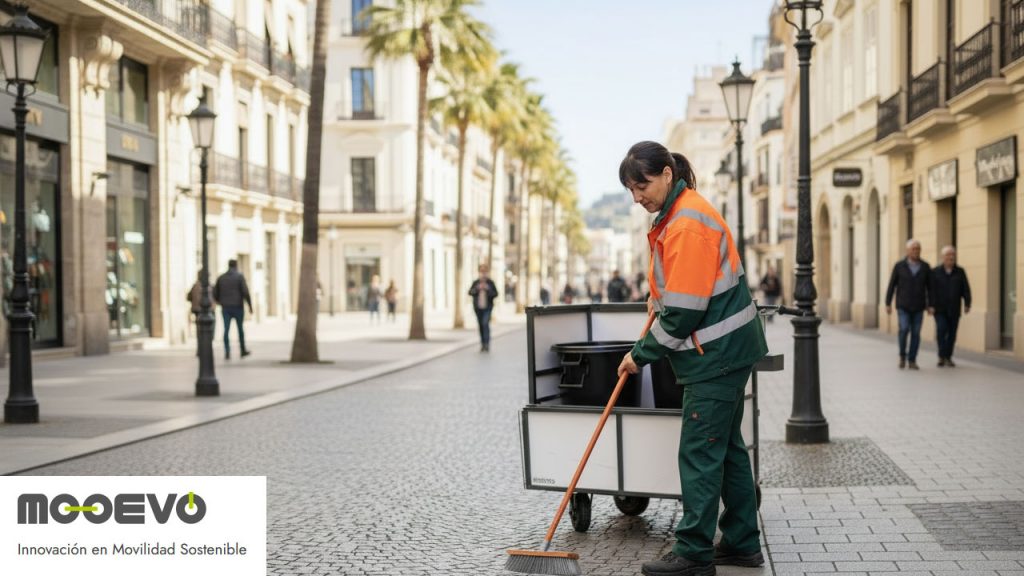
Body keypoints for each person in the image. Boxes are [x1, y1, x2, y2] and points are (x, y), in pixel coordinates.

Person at [615, 142, 768, 576]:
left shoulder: (684, 222)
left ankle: (694, 552)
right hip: (727, 351)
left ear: (666, 174)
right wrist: (656, 296)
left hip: (715, 355)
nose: (636, 197)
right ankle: (741, 542)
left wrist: (638, 356)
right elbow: (683, 288)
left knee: (700, 451)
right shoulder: (681, 212)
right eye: (629, 189)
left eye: (641, 185)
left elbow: (684, 312)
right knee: (729, 450)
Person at [885, 239, 931, 370]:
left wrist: (931, 304)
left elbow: (931, 287)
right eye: (913, 249)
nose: (916, 251)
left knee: (916, 333)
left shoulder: (925, 266)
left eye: (918, 249)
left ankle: (912, 360)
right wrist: (888, 303)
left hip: (919, 306)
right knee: (904, 329)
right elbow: (892, 285)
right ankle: (902, 356)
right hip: (903, 305)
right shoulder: (899, 266)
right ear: (908, 251)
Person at [929, 246, 971, 367]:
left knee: (952, 334)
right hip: (939, 308)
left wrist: (967, 303)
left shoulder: (960, 271)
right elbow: (931, 290)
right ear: (943, 257)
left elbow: (966, 289)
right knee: (941, 330)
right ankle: (941, 356)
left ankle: (948, 357)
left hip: (954, 308)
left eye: (953, 254)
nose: (951, 257)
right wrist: (930, 305)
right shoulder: (935, 272)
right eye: (948, 255)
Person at [213, 259, 253, 360]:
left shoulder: (221, 278)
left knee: (226, 330)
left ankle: (227, 351)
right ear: (236, 266)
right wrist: (250, 306)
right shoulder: (239, 277)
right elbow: (245, 292)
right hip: (238, 307)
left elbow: (215, 293)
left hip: (225, 307)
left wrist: (219, 301)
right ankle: (242, 350)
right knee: (240, 329)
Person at [468, 264, 498, 352]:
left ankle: (487, 344)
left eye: (485, 271)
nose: (483, 273)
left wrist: (488, 289)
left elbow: (496, 294)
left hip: (487, 307)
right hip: (478, 308)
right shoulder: (476, 282)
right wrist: (477, 289)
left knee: (485, 323)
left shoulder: (490, 283)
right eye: (481, 271)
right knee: (480, 325)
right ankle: (482, 344)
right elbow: (470, 292)